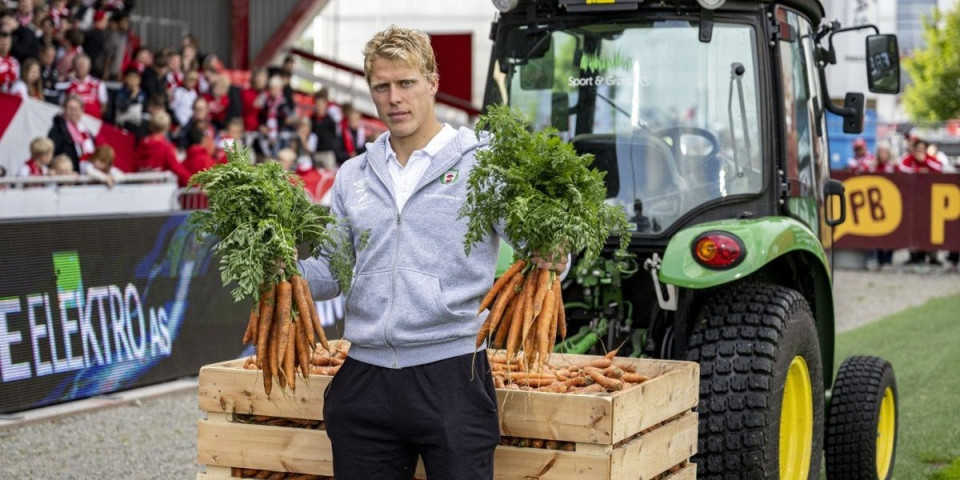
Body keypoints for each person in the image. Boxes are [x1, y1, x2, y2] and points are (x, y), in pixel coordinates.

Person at [297, 25, 567, 480]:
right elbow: (330, 270)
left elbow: (540, 247)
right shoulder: (353, 175)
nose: (394, 98)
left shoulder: (483, 164)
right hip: (365, 377)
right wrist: (282, 270)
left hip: (451, 376)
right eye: (381, 86)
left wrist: (555, 252)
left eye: (406, 83)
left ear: (432, 83)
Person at [137, 110, 191, 186]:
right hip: (160, 191)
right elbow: (177, 170)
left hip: (141, 188)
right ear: (167, 127)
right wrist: (194, 184)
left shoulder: (141, 145)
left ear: (151, 126)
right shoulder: (166, 148)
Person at [48, 96, 97, 172]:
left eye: (76, 109)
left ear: (82, 110)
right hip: (67, 175)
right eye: (70, 109)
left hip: (86, 174)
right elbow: (51, 154)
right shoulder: (58, 130)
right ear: (65, 110)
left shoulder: (86, 131)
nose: (73, 112)